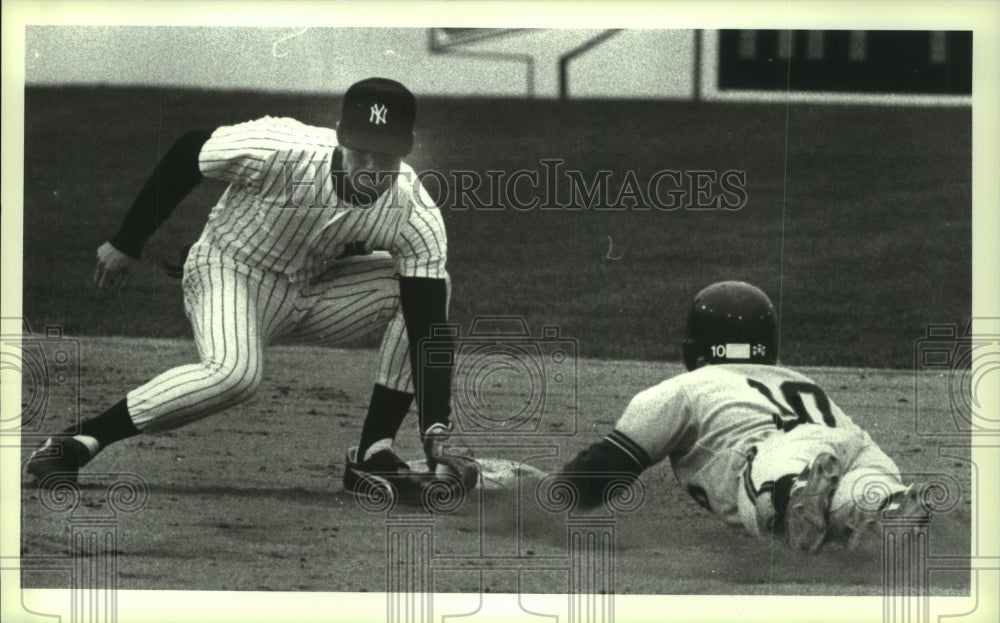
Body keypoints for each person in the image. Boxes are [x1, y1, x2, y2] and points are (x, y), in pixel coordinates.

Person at [25, 77, 479, 500]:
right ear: (339, 134)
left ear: (410, 147)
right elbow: (190, 151)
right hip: (229, 271)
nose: (372, 167)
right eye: (361, 150)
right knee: (234, 375)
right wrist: (128, 240)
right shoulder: (282, 148)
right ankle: (82, 439)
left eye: (387, 155)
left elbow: (427, 324)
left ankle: (371, 454)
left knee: (427, 287)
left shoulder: (415, 209)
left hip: (314, 290)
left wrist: (436, 428)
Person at [551, 281, 930, 552]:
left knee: (773, 483)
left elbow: (604, 469)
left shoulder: (686, 387)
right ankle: (885, 505)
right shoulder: (797, 378)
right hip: (857, 446)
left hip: (779, 450)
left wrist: (544, 501)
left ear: (693, 350)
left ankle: (791, 493)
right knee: (850, 498)